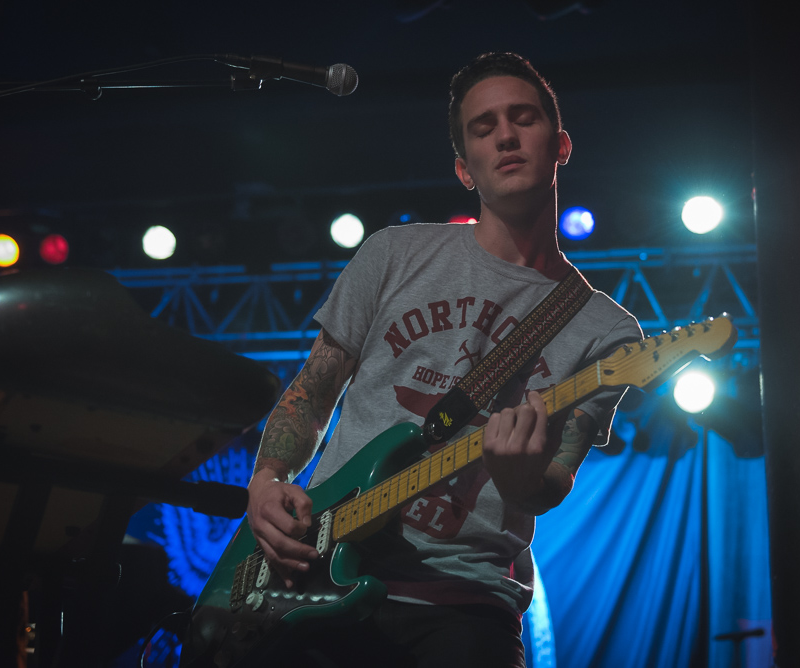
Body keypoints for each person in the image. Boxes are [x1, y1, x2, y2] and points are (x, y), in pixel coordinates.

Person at [245, 52, 642, 667]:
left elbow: (555, 479)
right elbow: (313, 390)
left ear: (561, 144)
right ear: (464, 168)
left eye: (523, 119)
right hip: (315, 572)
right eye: (483, 128)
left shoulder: (607, 332)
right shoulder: (393, 255)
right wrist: (266, 482)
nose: (506, 136)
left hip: (463, 602)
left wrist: (521, 480)